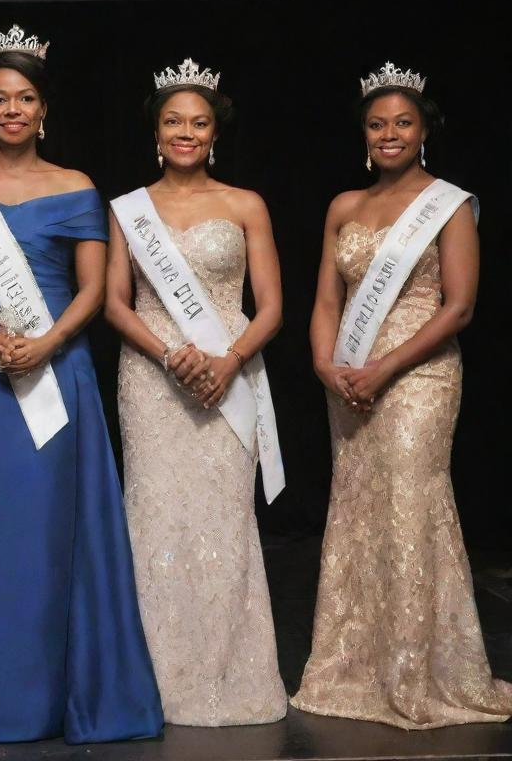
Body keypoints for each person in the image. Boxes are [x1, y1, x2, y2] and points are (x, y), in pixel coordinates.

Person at [0, 24, 163, 746]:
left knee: (54, 529)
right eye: (0, 99)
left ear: (43, 108)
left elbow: (93, 291)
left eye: (25, 98)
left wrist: (50, 343)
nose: (13, 110)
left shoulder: (78, 187)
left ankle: (63, 692)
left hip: (58, 370)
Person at [291, 62, 512, 728]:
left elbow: (460, 306)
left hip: (418, 375)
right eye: (378, 124)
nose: (390, 134)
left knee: (412, 506)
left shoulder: (449, 202)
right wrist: (327, 366)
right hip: (351, 379)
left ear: (423, 131)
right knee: (361, 510)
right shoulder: (344, 207)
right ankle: (356, 664)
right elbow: (328, 300)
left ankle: (417, 674)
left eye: (403, 123)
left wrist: (384, 367)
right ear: (365, 134)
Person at [105, 58, 287, 726]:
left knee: (224, 519)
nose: (187, 132)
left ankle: (230, 674)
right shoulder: (128, 208)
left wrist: (229, 358)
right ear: (156, 132)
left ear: (215, 133)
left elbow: (270, 307)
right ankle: (151, 679)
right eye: (174, 121)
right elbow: (114, 303)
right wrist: (169, 354)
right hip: (152, 378)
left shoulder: (245, 205)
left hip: (229, 371)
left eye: (199, 122)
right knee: (154, 516)